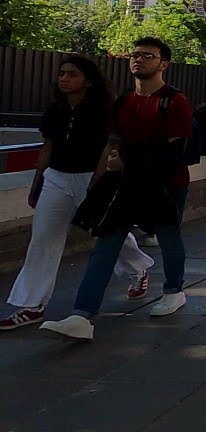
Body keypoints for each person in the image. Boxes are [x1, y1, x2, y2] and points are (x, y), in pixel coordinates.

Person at [41, 37, 194, 341]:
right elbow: (112, 143)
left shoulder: (174, 101)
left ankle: (174, 291)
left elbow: (176, 151)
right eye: (135, 55)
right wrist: (103, 174)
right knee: (106, 242)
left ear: (163, 64)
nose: (139, 60)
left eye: (147, 56)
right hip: (125, 184)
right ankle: (82, 315)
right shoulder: (124, 101)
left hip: (165, 183)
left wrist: (127, 161)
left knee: (168, 236)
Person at [1, 57, 153, 331]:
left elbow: (109, 147)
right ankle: (31, 304)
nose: (64, 79)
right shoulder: (55, 110)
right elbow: (47, 147)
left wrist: (97, 183)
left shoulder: (105, 110)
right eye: (61, 74)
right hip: (57, 177)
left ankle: (138, 267)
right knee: (43, 238)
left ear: (88, 80)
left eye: (72, 74)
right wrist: (38, 183)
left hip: (90, 176)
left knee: (106, 231)